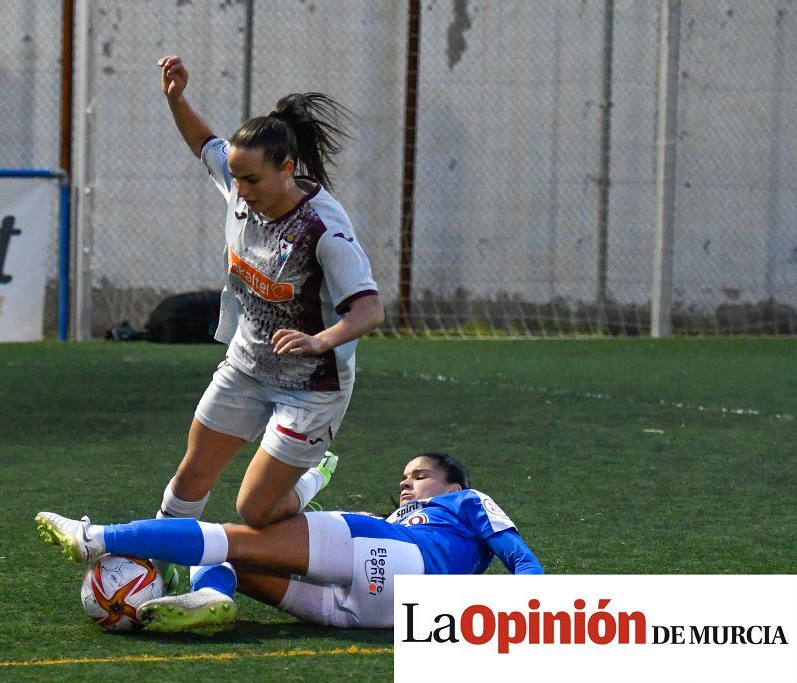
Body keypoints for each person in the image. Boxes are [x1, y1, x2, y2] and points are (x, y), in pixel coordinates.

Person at [150, 54, 384, 575]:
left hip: (312, 387)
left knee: (253, 511)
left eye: (252, 180)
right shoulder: (240, 186)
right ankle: (152, 569)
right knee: (192, 477)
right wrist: (177, 100)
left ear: (286, 168)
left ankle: (311, 480)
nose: (242, 191)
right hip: (247, 367)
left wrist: (320, 341)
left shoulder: (325, 232)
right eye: (237, 179)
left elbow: (370, 309)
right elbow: (203, 145)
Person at [36, 452, 544, 632]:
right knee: (235, 559)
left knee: (228, 539)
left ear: (454, 485)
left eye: (422, 475)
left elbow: (519, 555)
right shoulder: (407, 516)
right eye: (405, 478)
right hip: (378, 614)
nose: (409, 484)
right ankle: (213, 597)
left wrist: (534, 594)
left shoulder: (466, 500)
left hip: (393, 556)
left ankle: (94, 536)